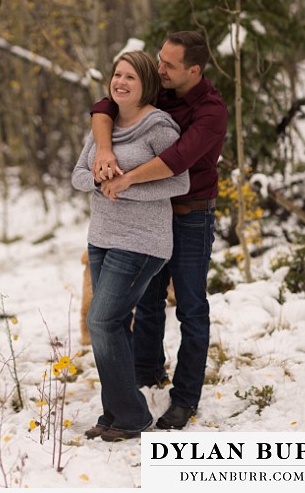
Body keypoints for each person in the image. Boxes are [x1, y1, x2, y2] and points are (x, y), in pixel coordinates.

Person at [90, 31, 227, 430]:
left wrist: (127, 179)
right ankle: (146, 372)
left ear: (194, 70)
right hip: (154, 217)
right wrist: (103, 150)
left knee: (190, 306)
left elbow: (177, 160)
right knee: (148, 300)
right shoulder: (164, 92)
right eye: (160, 61)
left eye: (168, 64)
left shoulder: (211, 110)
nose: (160, 68)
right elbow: (104, 105)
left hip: (192, 215)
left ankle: (184, 398)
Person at [72, 50, 190, 442]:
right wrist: (101, 179)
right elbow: (76, 175)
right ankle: (115, 413)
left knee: (101, 322)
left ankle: (132, 414)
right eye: (116, 74)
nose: (120, 82)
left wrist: (127, 184)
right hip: (101, 238)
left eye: (130, 78)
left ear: (147, 85)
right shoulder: (103, 128)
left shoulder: (159, 126)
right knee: (114, 324)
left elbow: (179, 183)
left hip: (142, 242)